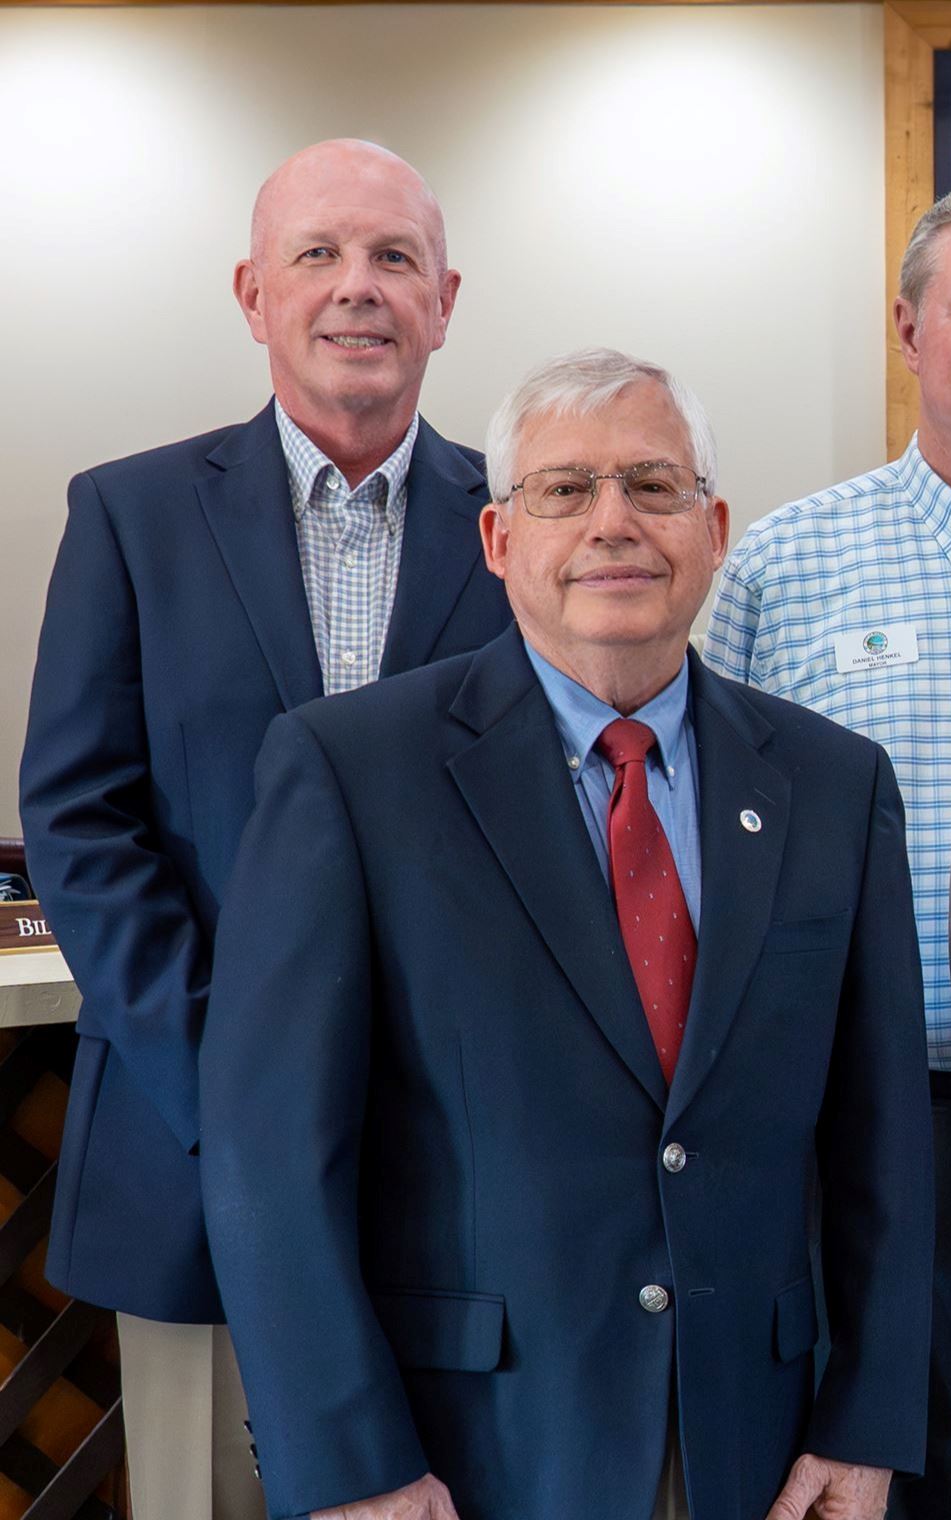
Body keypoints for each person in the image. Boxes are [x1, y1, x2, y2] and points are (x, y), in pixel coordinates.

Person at [197, 349, 933, 1520]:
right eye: (563, 489)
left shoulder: (834, 785)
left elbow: (884, 1147)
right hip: (467, 1444)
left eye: (654, 484)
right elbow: (269, 1158)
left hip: (758, 1435)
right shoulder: (350, 769)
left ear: (714, 525)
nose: (614, 523)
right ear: (498, 539)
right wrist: (351, 1461)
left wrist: (867, 1420)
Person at [17, 137, 508, 1520]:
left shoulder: (521, 524)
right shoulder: (132, 515)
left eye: (394, 257)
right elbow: (79, 812)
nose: (358, 289)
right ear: (253, 293)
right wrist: (231, 1077)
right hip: (187, 1137)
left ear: (446, 298)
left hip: (464, 1154)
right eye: (319, 254)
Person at [704, 180, 951, 1520]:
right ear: (909, 328)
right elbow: (708, 856)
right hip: (865, 1131)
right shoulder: (782, 568)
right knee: (877, 1480)